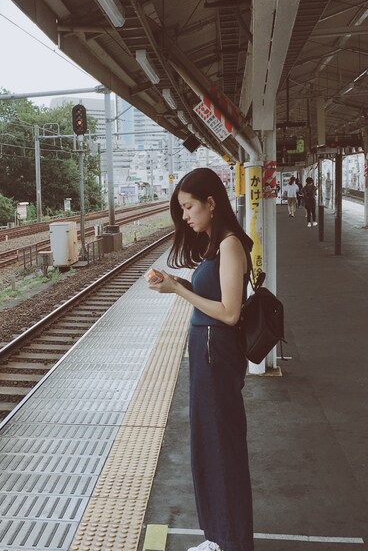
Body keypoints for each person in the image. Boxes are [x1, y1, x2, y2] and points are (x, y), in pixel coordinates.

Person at [148, 167, 254, 551]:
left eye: (189, 207)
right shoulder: (215, 243)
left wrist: (178, 290)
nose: (185, 216)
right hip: (207, 352)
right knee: (209, 444)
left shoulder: (230, 245)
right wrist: (177, 283)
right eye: (182, 209)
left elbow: (229, 312)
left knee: (220, 445)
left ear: (211, 203)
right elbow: (214, 299)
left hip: (216, 354)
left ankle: (229, 540)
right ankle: (217, 536)